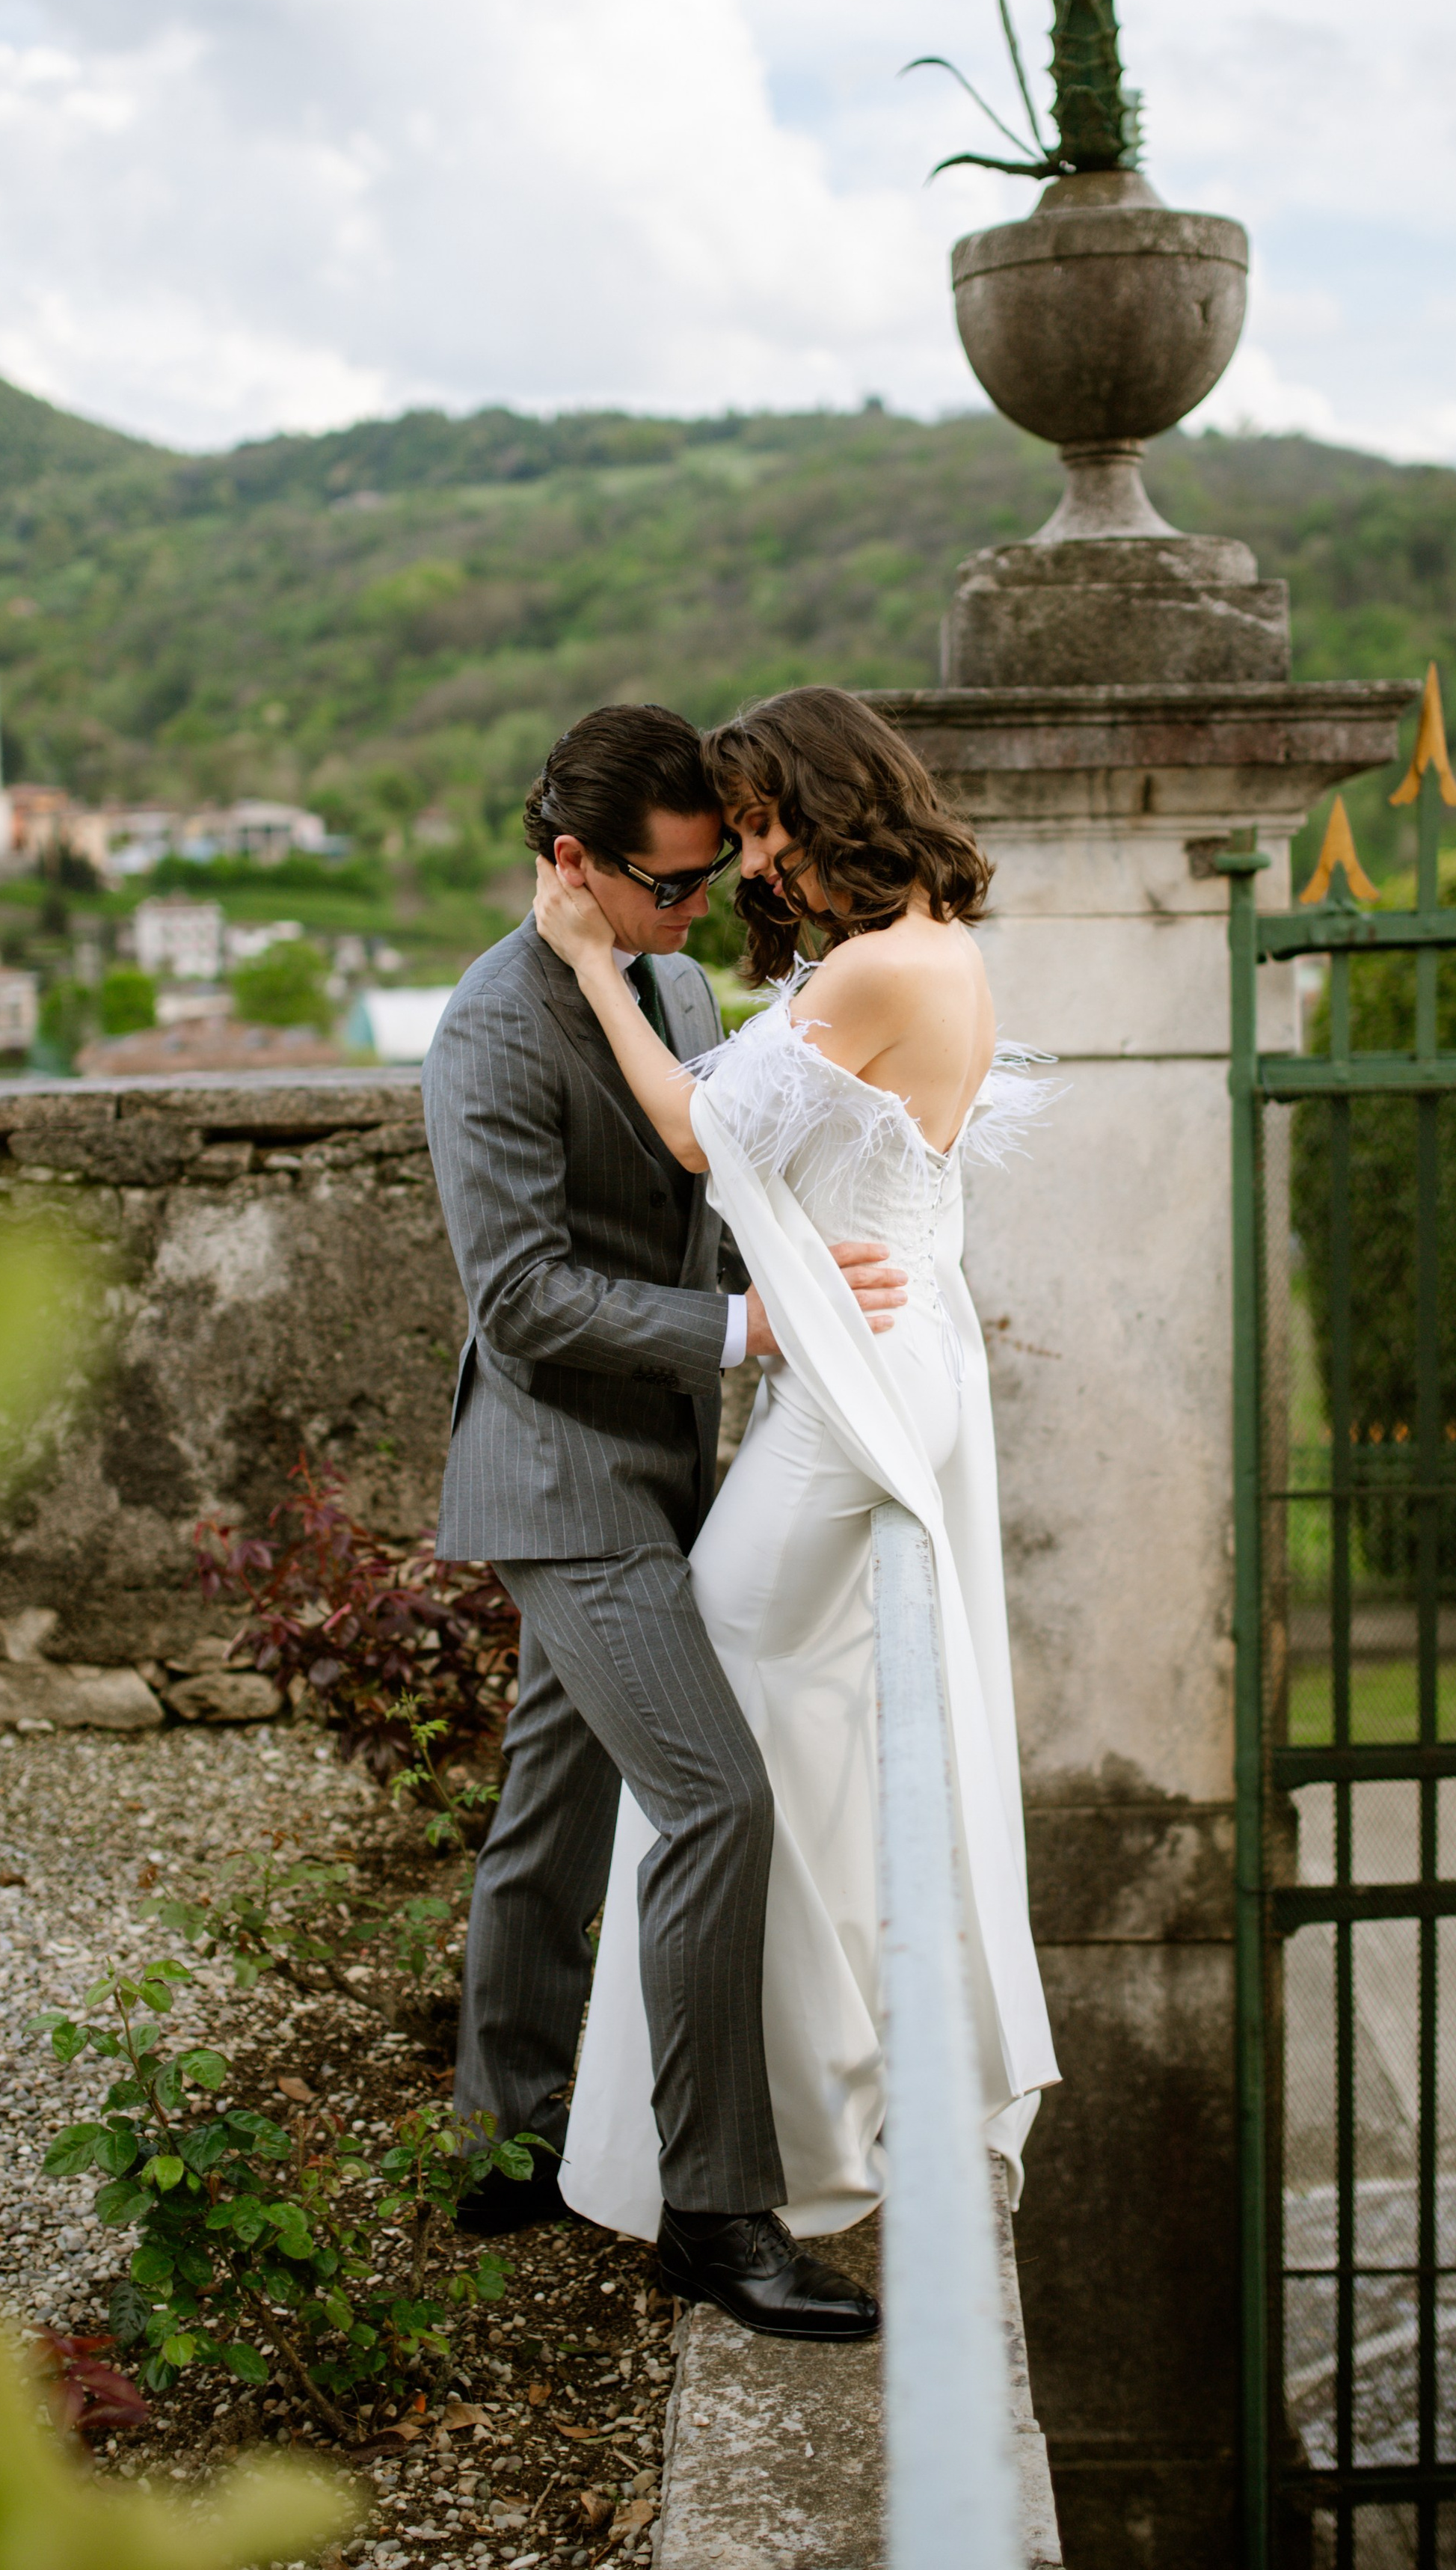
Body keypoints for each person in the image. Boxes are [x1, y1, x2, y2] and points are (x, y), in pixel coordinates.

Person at [532, 684, 1058, 2264]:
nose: (749, 861)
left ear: (829, 808)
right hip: (893, 1355)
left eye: (760, 826)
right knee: (786, 1734)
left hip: (848, 1393)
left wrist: (591, 967)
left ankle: (753, 2120)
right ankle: (787, 2092)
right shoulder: (929, 951)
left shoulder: (880, 969)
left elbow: (697, 1132)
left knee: (709, 1726)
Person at [423, 701, 902, 2342]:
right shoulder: (483, 1035)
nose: (694, 917)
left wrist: (792, 1273)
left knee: (551, 1809)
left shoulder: (677, 983)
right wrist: (750, 1336)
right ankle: (710, 2209)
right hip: (559, 1482)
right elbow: (522, 1301)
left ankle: (504, 2137)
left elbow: (719, 1174)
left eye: (707, 883)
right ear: (569, 863)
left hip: (672, 1466)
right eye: (667, 887)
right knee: (714, 1802)